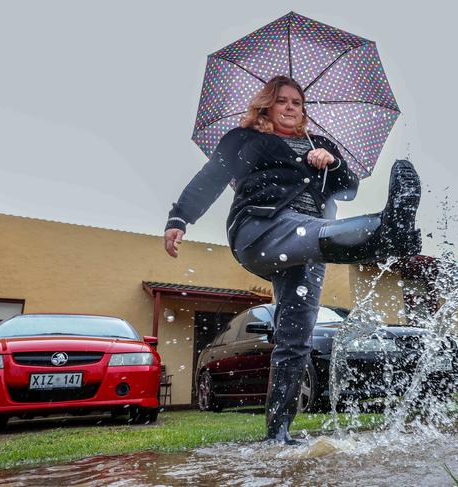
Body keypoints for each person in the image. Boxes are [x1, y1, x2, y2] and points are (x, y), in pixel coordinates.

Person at [164, 75, 422, 444]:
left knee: (295, 338)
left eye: (296, 102)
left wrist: (330, 163)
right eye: (282, 100)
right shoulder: (245, 140)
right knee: (315, 231)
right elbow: (211, 177)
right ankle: (388, 229)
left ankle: (278, 432)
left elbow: (348, 189)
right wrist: (179, 218)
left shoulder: (320, 143)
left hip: (309, 247)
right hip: (260, 227)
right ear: (266, 104)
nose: (289, 107)